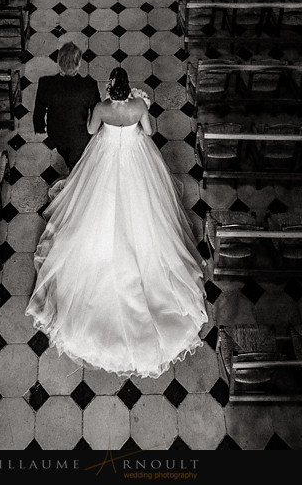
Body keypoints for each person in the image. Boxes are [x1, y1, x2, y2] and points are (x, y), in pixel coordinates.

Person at [26, 66, 207, 378]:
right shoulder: (138, 107)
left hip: (107, 157)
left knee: (93, 208)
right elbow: (149, 132)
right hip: (135, 157)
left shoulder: (101, 108)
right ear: (129, 89)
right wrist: (138, 113)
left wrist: (108, 120)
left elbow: (93, 129)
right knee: (148, 213)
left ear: (111, 88)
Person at [32, 41, 100, 174]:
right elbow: (97, 110)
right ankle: (74, 170)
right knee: (75, 159)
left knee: (63, 150)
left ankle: (69, 163)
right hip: (80, 136)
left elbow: (39, 111)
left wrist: (39, 126)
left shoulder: (45, 84)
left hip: (56, 133)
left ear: (58, 62)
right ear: (79, 63)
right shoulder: (89, 86)